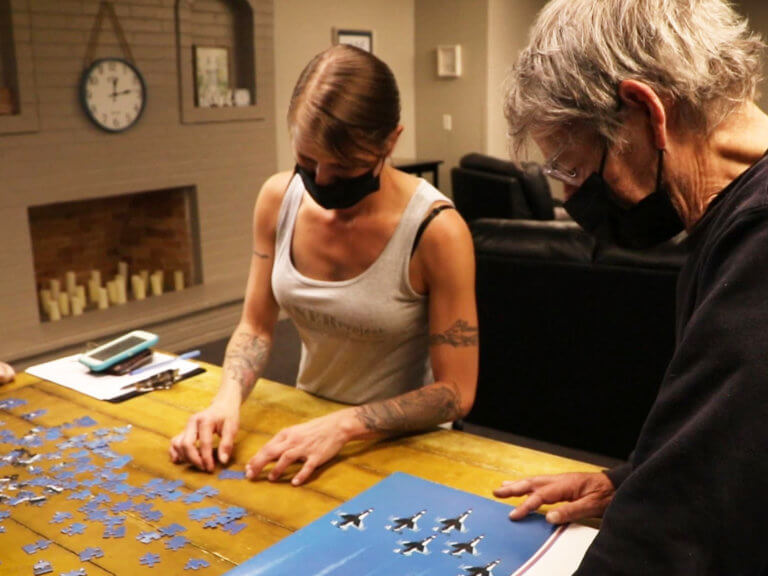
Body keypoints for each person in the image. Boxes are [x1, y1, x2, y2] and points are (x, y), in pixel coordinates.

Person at [495, 0, 768, 573]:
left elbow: (676, 530)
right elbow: (733, 443)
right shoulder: (725, 220)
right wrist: (628, 480)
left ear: (644, 111)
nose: (572, 200)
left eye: (571, 169)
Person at [170, 45, 478, 487]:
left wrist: (345, 425)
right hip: (307, 422)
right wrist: (226, 399)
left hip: (405, 445)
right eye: (308, 161)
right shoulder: (278, 200)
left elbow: (457, 393)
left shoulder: (437, 232)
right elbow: (256, 326)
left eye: (344, 167)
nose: (323, 181)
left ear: (391, 141)